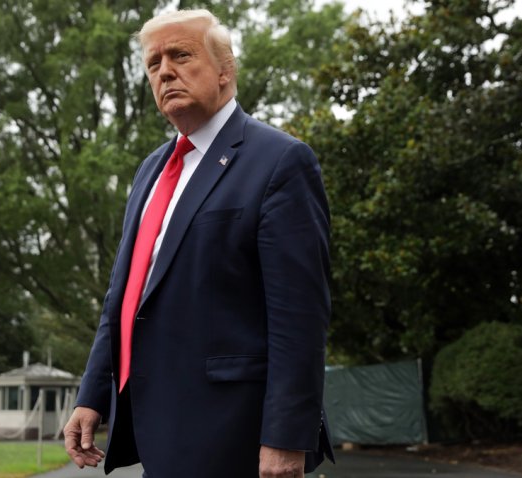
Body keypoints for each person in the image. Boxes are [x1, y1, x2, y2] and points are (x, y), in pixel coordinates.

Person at [62, 9, 333, 478]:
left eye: (180, 55)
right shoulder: (150, 170)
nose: (164, 70)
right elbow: (124, 296)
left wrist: (286, 437)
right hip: (159, 430)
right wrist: (92, 395)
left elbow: (300, 318)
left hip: (235, 437)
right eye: (153, 63)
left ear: (225, 68)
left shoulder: (281, 161)